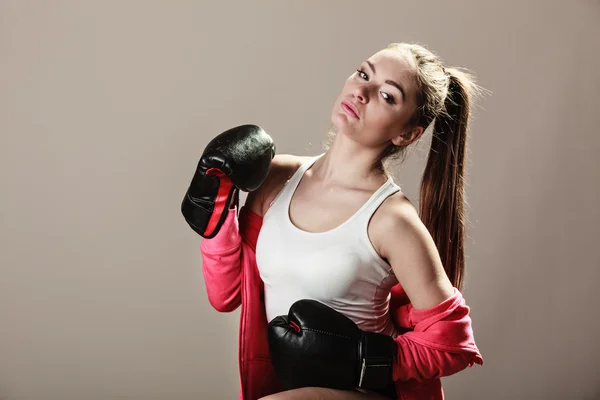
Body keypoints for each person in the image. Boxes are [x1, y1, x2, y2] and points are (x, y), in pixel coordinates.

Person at [182, 42, 484, 400]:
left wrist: (364, 360)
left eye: (387, 96)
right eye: (363, 74)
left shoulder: (391, 220)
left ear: (406, 134)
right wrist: (219, 207)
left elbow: (452, 345)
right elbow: (226, 296)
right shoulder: (276, 179)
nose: (362, 92)